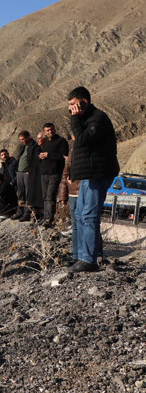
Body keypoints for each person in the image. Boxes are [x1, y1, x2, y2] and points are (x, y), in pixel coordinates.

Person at [67, 86, 119, 273]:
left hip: (99, 173)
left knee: (89, 216)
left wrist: (75, 119)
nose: (71, 109)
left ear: (84, 102)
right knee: (80, 214)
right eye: (69, 106)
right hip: (89, 174)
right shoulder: (85, 119)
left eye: (73, 105)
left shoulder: (98, 117)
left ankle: (89, 260)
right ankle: (82, 257)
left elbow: (81, 140)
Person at [38, 123, 69, 228]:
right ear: (45, 132)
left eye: (51, 129)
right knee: (45, 196)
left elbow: (64, 157)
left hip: (54, 173)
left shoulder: (61, 141)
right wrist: (42, 156)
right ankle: (45, 216)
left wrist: (49, 155)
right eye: (47, 130)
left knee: (50, 196)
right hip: (44, 173)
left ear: (55, 129)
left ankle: (49, 218)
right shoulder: (46, 143)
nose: (50, 132)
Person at [58, 135, 79, 263]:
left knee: (90, 224)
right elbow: (66, 174)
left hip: (86, 193)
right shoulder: (71, 152)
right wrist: (63, 194)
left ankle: (96, 254)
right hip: (73, 193)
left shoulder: (90, 149)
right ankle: (77, 256)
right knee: (75, 227)